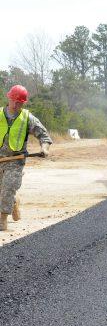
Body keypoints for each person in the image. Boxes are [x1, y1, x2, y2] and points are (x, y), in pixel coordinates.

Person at [0, 85, 52, 231]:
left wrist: (44, 148)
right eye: (14, 101)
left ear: (23, 103)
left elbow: (44, 135)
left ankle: (2, 218)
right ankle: (14, 202)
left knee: (8, 187)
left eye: (20, 103)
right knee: (3, 191)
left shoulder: (27, 118)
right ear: (8, 98)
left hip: (15, 161)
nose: (16, 105)